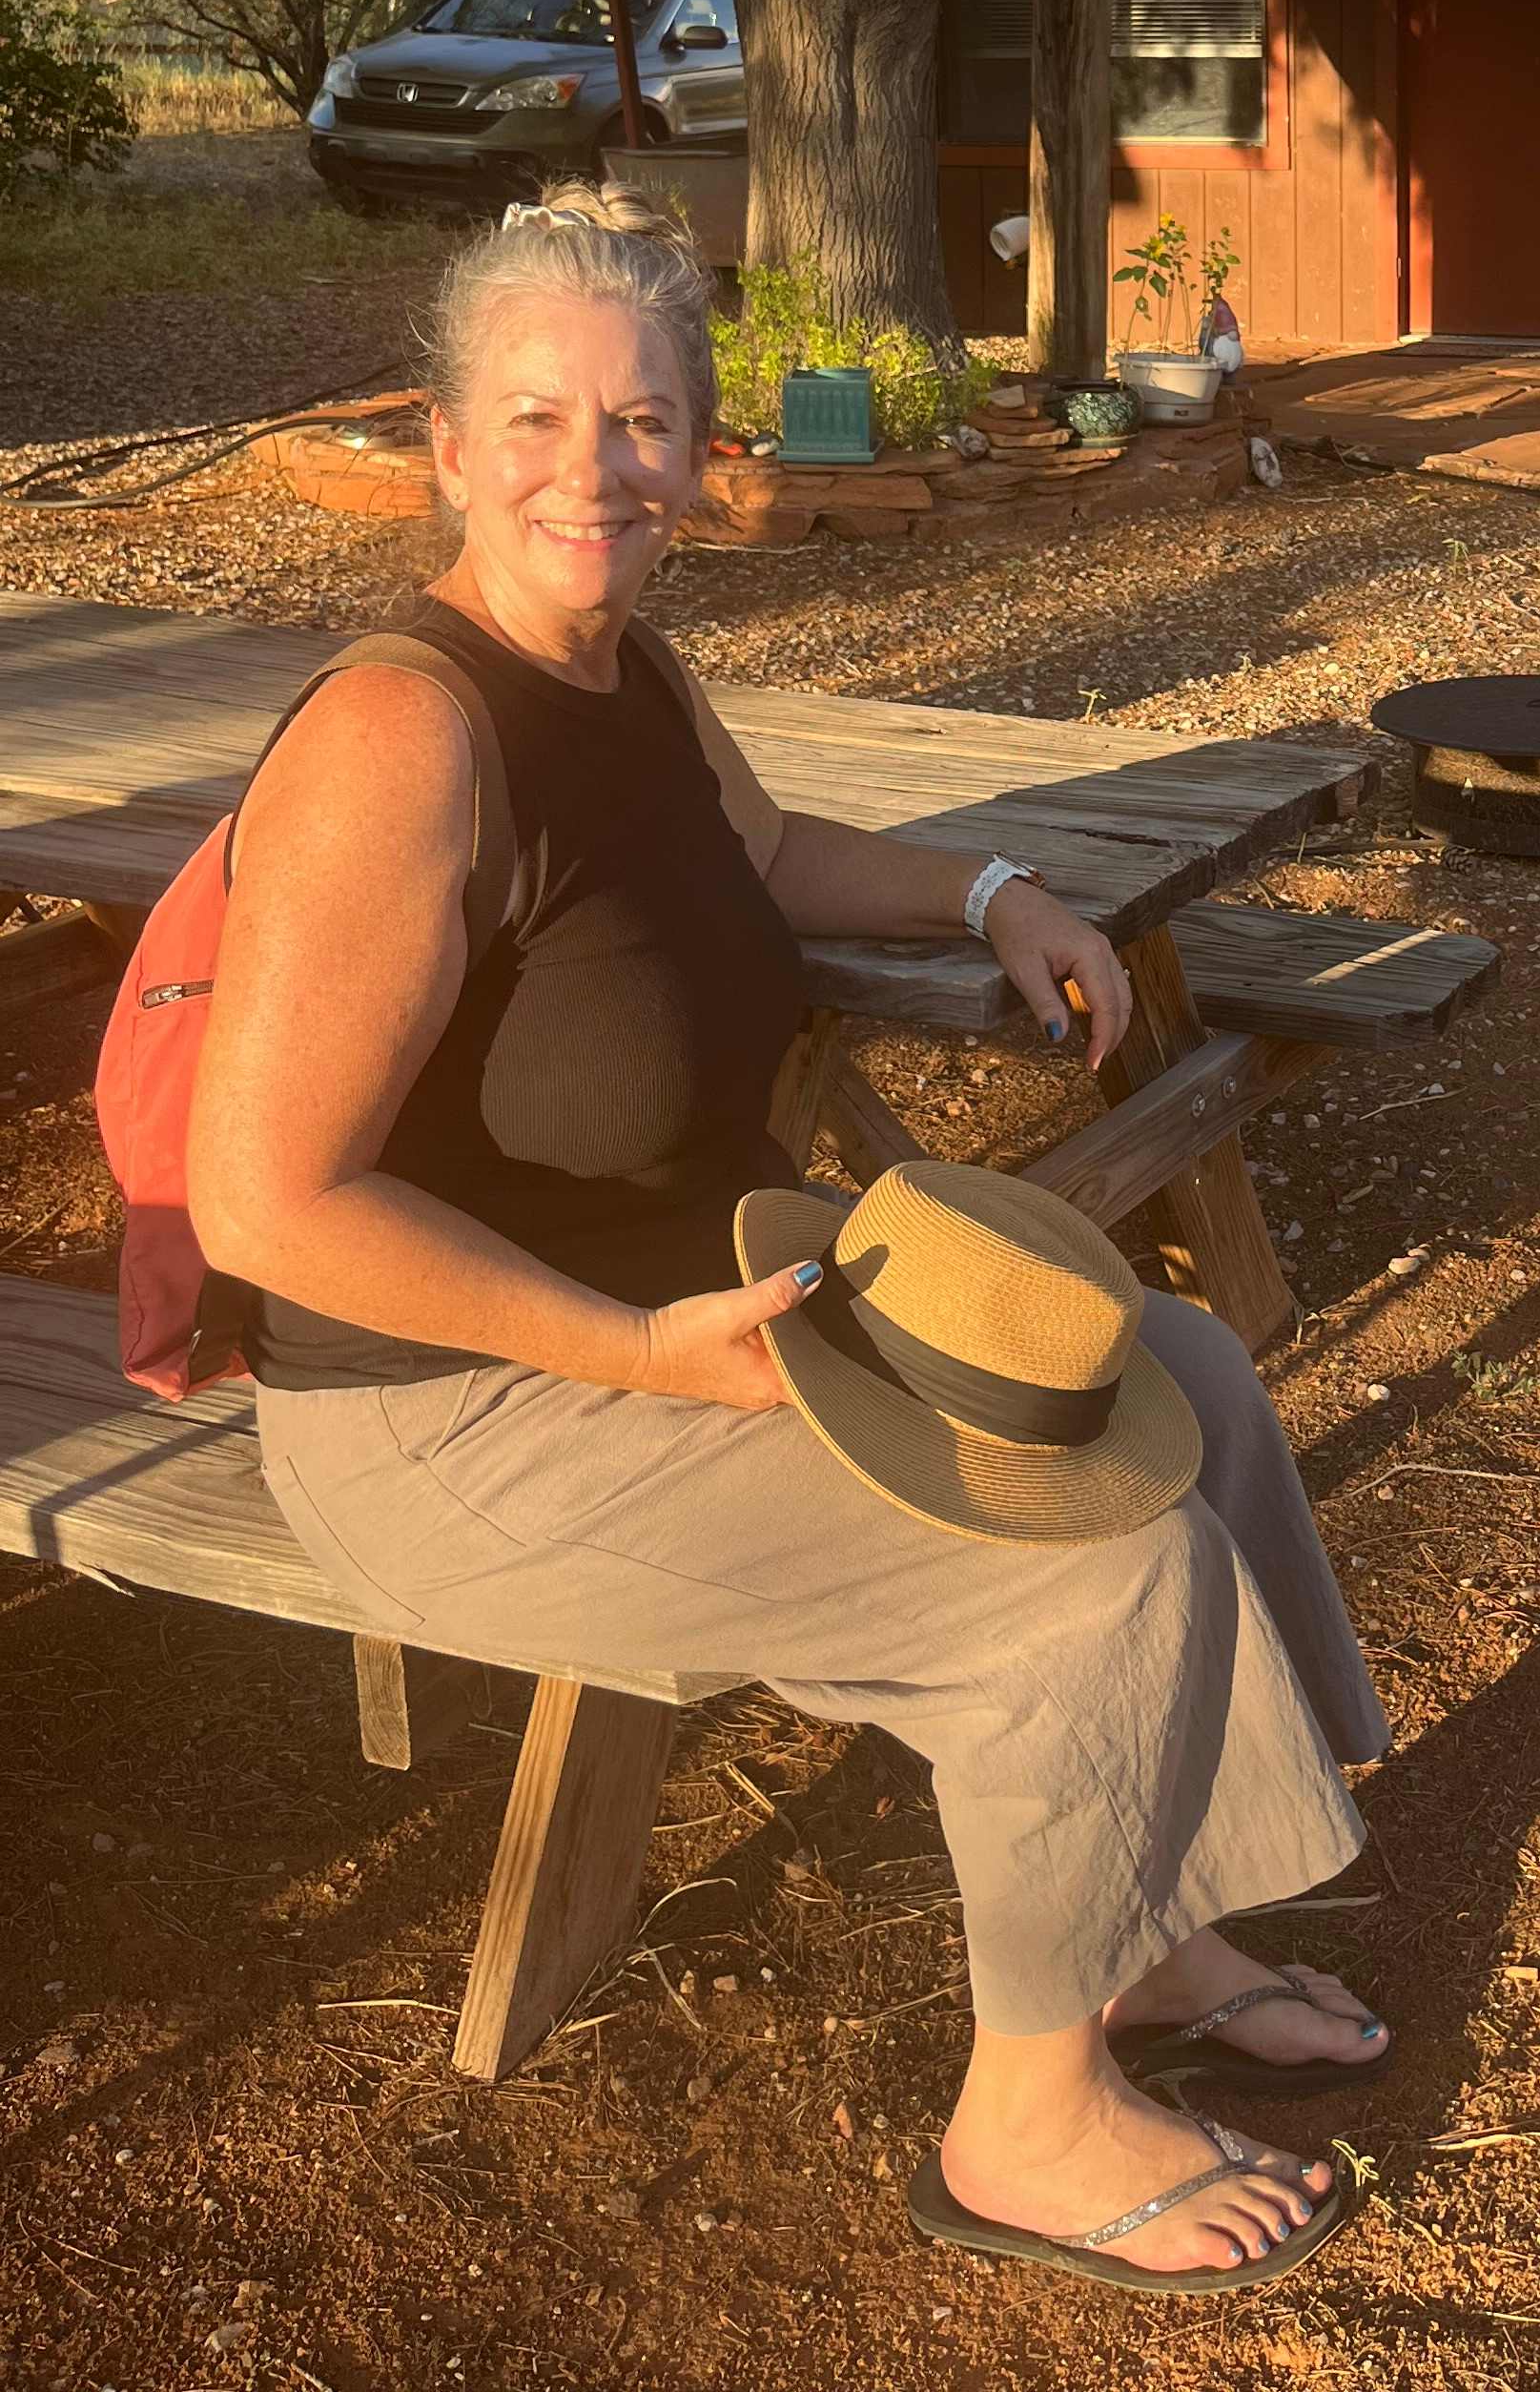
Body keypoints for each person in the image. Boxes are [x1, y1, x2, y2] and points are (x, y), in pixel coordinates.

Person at [189, 186, 1390, 2294]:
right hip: (461, 1414)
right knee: (1092, 1554)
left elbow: (768, 852)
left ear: (701, 453)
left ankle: (1151, 1922)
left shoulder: (630, 678)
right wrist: (642, 1357)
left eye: (646, 422)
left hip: (708, 1318)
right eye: (542, 419)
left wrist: (1002, 890)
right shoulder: (403, 738)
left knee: (1173, 1373)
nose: (598, 469)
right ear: (449, 447)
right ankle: (1026, 2126)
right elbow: (265, 1202)